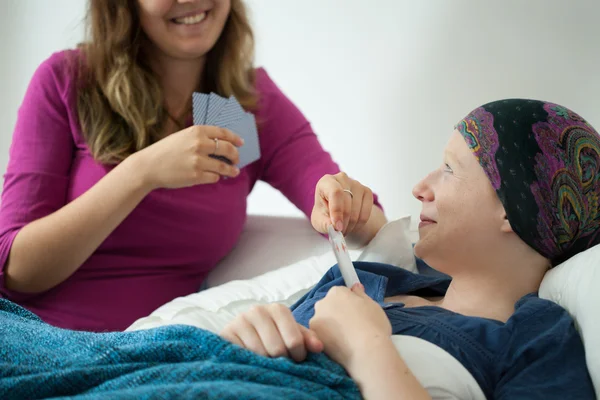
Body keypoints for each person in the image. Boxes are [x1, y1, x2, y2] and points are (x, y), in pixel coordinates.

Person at [0, 0, 387, 332]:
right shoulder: (70, 82)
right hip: (39, 332)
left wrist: (340, 203)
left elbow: (357, 214)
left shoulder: (234, 106)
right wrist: (141, 173)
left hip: (162, 350)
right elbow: (16, 272)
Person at [220, 99, 598, 399]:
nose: (420, 187)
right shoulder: (371, 278)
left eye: (449, 169)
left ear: (514, 208)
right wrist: (246, 337)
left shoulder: (536, 337)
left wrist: (366, 346)